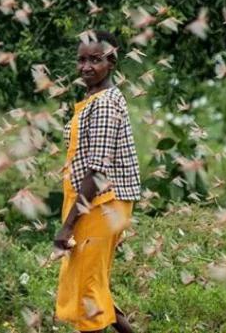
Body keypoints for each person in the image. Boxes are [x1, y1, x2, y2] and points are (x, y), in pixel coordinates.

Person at [54, 30, 142, 333]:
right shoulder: (93, 99)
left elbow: (98, 170)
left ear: (112, 61)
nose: (86, 67)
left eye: (95, 59)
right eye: (81, 60)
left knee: (88, 289)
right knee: (93, 283)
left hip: (102, 203)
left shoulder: (104, 103)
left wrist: (68, 225)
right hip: (94, 202)